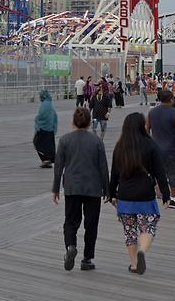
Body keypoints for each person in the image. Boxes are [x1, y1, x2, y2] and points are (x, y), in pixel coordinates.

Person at [108, 112, 171, 275]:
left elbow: (114, 173)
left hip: (125, 196)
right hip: (145, 195)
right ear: (142, 126)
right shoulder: (150, 145)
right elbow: (160, 172)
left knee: (129, 232)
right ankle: (142, 250)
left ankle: (134, 264)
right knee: (148, 227)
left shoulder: (119, 146)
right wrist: (165, 193)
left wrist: (111, 194)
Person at [52, 107, 109, 272]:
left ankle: (70, 246)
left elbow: (58, 167)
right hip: (93, 187)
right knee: (91, 224)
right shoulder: (96, 141)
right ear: (90, 122)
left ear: (73, 121)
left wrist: (55, 188)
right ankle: (87, 259)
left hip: (72, 187)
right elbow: (103, 167)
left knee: (70, 222)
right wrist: (107, 189)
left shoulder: (64, 140)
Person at [146, 90, 175, 208]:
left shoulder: (152, 112)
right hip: (172, 150)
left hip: (155, 149)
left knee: (153, 174)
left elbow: (146, 128)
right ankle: (173, 199)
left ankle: (150, 195)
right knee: (174, 175)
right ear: (171, 100)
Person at [34, 90, 58, 168]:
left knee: (38, 143)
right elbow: (54, 116)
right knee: (48, 146)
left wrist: (37, 119)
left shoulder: (45, 104)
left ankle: (46, 160)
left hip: (43, 129)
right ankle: (47, 161)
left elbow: (42, 116)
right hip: (50, 129)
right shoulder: (49, 104)